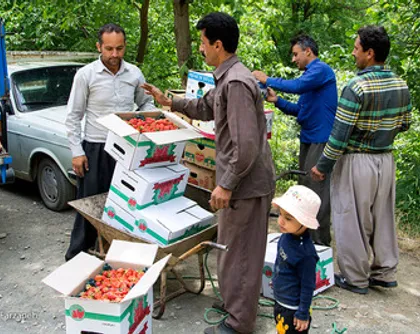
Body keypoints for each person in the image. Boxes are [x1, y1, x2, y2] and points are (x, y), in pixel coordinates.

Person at [143, 12, 275, 334]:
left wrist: (226, 185)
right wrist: (169, 101)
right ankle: (234, 304)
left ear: (218, 44)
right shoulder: (226, 78)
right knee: (231, 249)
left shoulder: (238, 83)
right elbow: (205, 108)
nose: (200, 49)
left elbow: (246, 147)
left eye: (202, 43)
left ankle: (239, 323)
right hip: (240, 182)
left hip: (246, 185)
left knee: (241, 253)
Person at [311, 26, 412, 294]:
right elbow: (405, 124)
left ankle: (355, 278)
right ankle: (385, 271)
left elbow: (339, 135)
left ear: (370, 53)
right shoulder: (401, 85)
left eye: (357, 47)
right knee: (383, 217)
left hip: (357, 160)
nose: (353, 52)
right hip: (386, 160)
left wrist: (322, 166)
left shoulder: (356, 87)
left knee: (351, 218)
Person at [64, 23, 155, 261]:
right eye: (109, 49)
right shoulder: (86, 75)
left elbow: (146, 104)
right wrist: (76, 151)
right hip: (95, 148)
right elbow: (73, 116)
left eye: (120, 49)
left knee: (125, 204)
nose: (115, 55)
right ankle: (78, 258)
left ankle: (121, 258)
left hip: (127, 149)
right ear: (99, 47)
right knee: (90, 206)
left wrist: (142, 124)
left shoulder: (134, 74)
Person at [253, 35, 337, 246]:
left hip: (321, 140)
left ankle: (319, 244)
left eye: (295, 54)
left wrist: (266, 79)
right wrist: (276, 100)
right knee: (305, 192)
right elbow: (300, 110)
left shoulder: (320, 70)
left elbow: (297, 86)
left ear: (308, 51)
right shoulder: (311, 78)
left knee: (315, 194)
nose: (293, 59)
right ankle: (304, 240)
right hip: (308, 139)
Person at [271, 185, 320, 334]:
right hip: (280, 300)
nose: (281, 221)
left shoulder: (306, 254)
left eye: (288, 218)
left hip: (293, 310)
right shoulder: (286, 236)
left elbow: (308, 285)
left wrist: (302, 313)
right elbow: (280, 260)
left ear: (305, 223)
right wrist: (276, 278)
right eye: (280, 214)